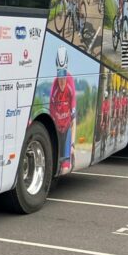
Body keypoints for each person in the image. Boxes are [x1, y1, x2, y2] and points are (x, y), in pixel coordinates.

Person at [49, 46, 77, 174]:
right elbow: (50, 118)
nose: (61, 82)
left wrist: (72, 145)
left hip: (66, 129)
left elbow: (74, 120)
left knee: (64, 169)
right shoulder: (54, 87)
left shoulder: (70, 83)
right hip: (57, 129)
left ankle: (67, 161)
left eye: (63, 77)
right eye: (59, 77)